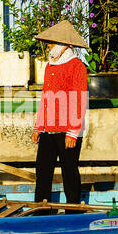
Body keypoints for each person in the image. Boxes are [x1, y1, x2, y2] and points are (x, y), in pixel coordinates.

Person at [31, 20, 89, 210]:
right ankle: (41, 208)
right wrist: (38, 127)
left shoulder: (77, 66)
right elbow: (45, 98)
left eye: (52, 42)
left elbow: (79, 99)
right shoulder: (49, 66)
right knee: (42, 170)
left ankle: (73, 208)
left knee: (69, 170)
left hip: (68, 130)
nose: (49, 46)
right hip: (48, 128)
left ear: (63, 45)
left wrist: (73, 132)